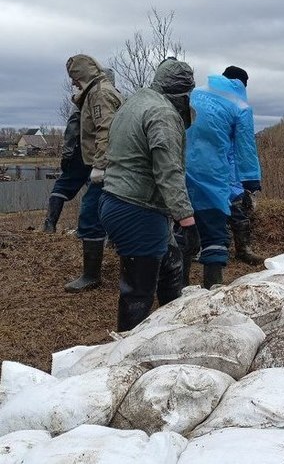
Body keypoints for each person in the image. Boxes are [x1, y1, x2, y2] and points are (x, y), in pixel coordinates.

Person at [99, 58, 201, 332]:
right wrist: (186, 219)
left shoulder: (136, 102)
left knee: (171, 265)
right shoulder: (163, 114)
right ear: (182, 94)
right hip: (136, 208)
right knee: (138, 291)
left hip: (115, 200)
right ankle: (127, 354)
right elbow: (168, 170)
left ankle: (173, 330)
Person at [185, 65, 262, 288]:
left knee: (182, 226)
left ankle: (175, 290)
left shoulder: (195, 93)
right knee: (215, 232)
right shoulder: (240, 106)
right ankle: (212, 289)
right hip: (214, 173)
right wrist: (251, 179)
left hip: (180, 169)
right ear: (242, 85)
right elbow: (246, 146)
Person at [63, 56, 123, 293]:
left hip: (108, 167)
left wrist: (100, 165)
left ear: (80, 76)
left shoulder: (99, 94)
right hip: (115, 166)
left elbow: (105, 130)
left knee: (90, 215)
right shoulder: (102, 90)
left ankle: (91, 275)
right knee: (113, 214)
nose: (73, 84)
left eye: (74, 78)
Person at [43, 69, 117, 234]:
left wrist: (68, 152)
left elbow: (73, 126)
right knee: (100, 190)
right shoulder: (107, 98)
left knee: (70, 186)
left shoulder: (88, 99)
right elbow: (74, 125)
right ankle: (92, 231)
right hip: (96, 152)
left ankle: (54, 225)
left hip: (86, 151)